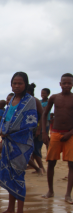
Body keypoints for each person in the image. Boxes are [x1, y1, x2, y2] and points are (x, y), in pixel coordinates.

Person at [0, 72, 37, 213]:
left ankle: (20, 212)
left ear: (25, 84)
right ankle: (10, 209)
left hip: (20, 144)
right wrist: (3, 132)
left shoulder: (29, 101)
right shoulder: (12, 100)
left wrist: (9, 133)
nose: (17, 86)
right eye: (14, 83)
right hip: (7, 142)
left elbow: (30, 124)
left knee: (18, 175)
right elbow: (6, 119)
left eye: (20, 83)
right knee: (10, 175)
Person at [42, 73, 73, 204]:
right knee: (51, 162)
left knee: (71, 165)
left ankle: (68, 194)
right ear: (60, 84)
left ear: (72, 84)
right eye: (64, 83)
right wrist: (44, 132)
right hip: (55, 133)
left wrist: (70, 133)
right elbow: (44, 115)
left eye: (69, 83)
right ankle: (50, 191)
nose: (66, 85)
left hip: (70, 134)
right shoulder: (54, 98)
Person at [26, 83, 45, 174]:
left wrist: (39, 129)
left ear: (28, 91)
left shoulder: (35, 100)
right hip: (29, 129)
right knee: (30, 150)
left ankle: (41, 168)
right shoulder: (25, 100)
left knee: (35, 150)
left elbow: (42, 116)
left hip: (36, 129)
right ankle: (37, 168)